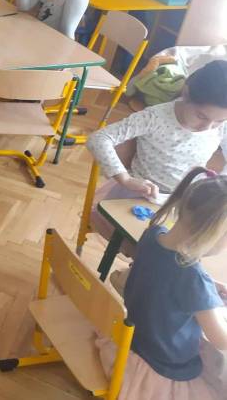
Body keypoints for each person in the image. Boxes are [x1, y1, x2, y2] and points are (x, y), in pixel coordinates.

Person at [96, 168, 227, 399]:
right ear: (214, 233)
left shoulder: (153, 234)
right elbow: (221, 339)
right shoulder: (193, 280)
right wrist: (206, 290)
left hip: (131, 338)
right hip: (163, 365)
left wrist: (209, 286)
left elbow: (167, 275)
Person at [86, 60, 227, 249]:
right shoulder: (155, 117)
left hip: (184, 203)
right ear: (186, 94)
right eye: (201, 116)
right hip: (139, 197)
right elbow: (98, 138)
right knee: (153, 250)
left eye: (219, 121)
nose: (207, 127)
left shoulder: (220, 124)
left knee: (198, 247)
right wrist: (125, 179)